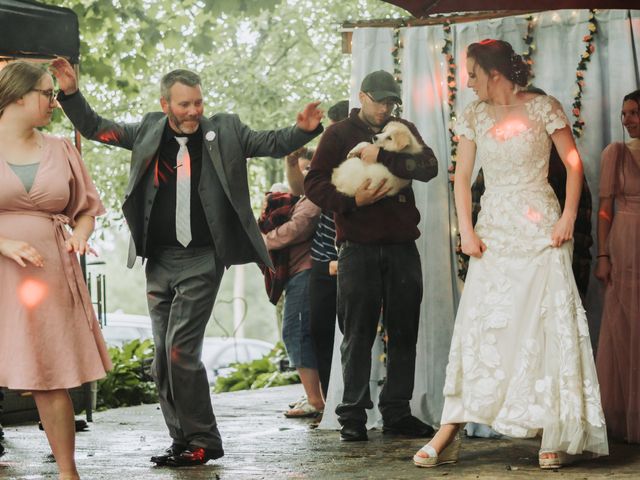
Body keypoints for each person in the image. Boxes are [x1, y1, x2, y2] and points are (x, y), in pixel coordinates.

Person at [50, 57, 323, 467]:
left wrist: (303, 130)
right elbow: (96, 127)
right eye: (184, 105)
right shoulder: (146, 130)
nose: (193, 111)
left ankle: (203, 439)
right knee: (162, 355)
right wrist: (70, 92)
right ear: (166, 106)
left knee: (180, 349)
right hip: (158, 259)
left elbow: (270, 142)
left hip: (202, 258)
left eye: (197, 103)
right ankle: (183, 440)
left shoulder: (226, 130)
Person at [412, 39, 608, 470]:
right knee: (481, 326)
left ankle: (552, 429)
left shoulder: (543, 107)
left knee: (543, 324)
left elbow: (574, 165)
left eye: (473, 74)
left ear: (494, 73)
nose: (468, 82)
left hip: (541, 228)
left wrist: (568, 218)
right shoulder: (474, 116)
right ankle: (450, 428)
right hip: (494, 229)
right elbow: (462, 179)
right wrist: (466, 230)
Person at [305, 70, 439, 442]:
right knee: (357, 333)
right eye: (379, 100)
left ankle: (397, 411)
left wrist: (382, 154)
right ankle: (352, 414)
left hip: (400, 246)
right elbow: (313, 183)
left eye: (390, 102)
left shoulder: (403, 127)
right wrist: (350, 202)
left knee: (404, 331)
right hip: (357, 248)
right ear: (361, 97)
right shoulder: (337, 135)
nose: (385, 108)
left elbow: (428, 167)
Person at [0, 61, 111, 480]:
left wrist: (80, 235)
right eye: (48, 94)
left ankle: (69, 473)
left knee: (50, 374)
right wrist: (4, 243)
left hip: (48, 273)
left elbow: (85, 210)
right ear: (18, 96)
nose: (55, 101)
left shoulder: (62, 147)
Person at [286, 101, 348, 403]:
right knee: (319, 332)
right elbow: (302, 190)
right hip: (322, 260)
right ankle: (328, 400)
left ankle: (339, 399)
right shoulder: (325, 164)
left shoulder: (353, 166)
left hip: (345, 258)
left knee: (348, 334)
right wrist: (290, 162)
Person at [595, 89, 640, 444]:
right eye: (624, 113)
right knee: (625, 325)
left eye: (635, 113)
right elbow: (605, 208)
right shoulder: (616, 153)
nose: (627, 120)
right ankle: (626, 418)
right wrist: (603, 255)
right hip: (625, 244)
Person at [263, 155, 323, 418]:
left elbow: (293, 231)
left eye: (307, 168)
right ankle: (314, 395)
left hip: (306, 272)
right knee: (300, 335)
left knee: (296, 333)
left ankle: (315, 400)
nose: (300, 176)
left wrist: (262, 239)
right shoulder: (300, 199)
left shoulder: (313, 201)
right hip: (298, 274)